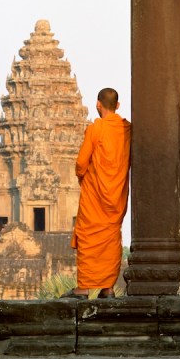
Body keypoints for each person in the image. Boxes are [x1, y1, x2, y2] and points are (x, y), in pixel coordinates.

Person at [64, 87, 131, 299]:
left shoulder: (96, 128)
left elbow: (82, 161)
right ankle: (108, 288)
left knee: (88, 237)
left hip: (95, 194)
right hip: (116, 194)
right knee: (111, 239)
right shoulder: (127, 129)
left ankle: (83, 288)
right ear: (118, 106)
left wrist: (84, 177)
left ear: (97, 105)